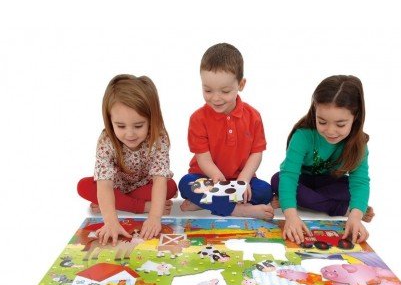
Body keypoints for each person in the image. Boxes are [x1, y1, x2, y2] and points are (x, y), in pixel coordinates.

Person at [271, 74, 374, 244]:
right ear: (315, 111)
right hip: (303, 181)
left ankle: (304, 200)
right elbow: (289, 176)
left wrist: (356, 216)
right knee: (278, 180)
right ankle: (341, 207)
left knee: (350, 190)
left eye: (340, 124)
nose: (331, 131)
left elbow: (360, 181)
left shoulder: (359, 143)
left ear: (355, 117)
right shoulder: (303, 136)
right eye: (322, 122)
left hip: (330, 183)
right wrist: (291, 215)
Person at [77, 74, 177, 244]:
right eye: (121, 126)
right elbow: (104, 185)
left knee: (170, 187)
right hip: (115, 186)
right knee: (83, 186)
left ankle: (116, 203)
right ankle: (136, 205)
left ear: (151, 119)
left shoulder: (158, 138)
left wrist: (154, 217)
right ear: (110, 120)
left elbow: (160, 179)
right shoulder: (106, 141)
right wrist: (111, 221)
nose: (130, 134)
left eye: (138, 126)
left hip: (143, 186)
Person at [179, 43, 274, 219]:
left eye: (225, 91)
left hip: (240, 179)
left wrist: (244, 179)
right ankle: (238, 209)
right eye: (208, 90)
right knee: (186, 184)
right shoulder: (197, 118)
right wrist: (217, 178)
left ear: (241, 84)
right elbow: (203, 158)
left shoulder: (253, 116)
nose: (216, 98)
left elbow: (256, 153)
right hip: (208, 178)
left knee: (265, 191)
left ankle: (207, 203)